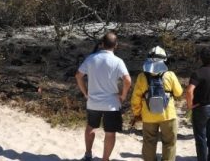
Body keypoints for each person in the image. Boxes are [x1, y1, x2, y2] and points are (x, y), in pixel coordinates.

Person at [75, 32, 132, 161]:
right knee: (110, 133)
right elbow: (127, 80)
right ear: (116, 45)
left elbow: (78, 76)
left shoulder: (91, 58)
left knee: (91, 127)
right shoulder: (118, 61)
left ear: (102, 44)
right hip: (111, 103)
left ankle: (88, 154)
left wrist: (85, 93)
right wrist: (123, 96)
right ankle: (105, 159)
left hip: (93, 101)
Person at [131, 46, 183, 161]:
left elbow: (135, 99)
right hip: (168, 115)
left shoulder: (141, 77)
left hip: (148, 116)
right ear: (164, 60)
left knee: (149, 143)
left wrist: (137, 113)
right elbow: (179, 92)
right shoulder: (170, 75)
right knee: (169, 143)